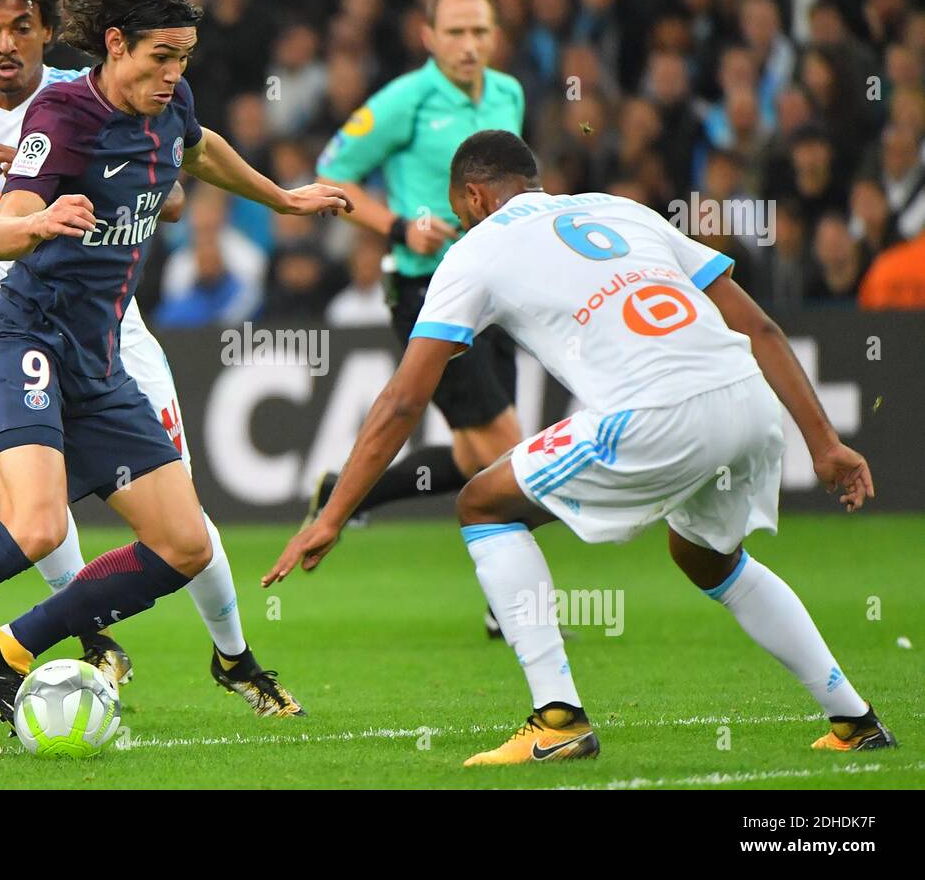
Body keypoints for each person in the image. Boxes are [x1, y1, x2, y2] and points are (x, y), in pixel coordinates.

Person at [0, 0, 346, 760]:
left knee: (187, 543)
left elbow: (196, 152)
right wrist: (37, 220)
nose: (174, 74)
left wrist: (283, 197)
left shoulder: (166, 104)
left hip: (101, 356)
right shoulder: (60, 118)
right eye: (162, 56)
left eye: (183, 59)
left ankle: (6, 650)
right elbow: (0, 227)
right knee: (33, 525)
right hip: (22, 337)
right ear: (118, 43)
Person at [266, 130, 895, 766]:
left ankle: (557, 718)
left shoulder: (477, 248)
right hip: (747, 398)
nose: (461, 223)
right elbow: (758, 325)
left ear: (475, 197)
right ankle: (854, 719)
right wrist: (825, 444)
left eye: (460, 213)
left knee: (484, 503)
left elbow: (402, 401)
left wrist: (334, 514)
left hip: (657, 410)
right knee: (706, 557)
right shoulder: (620, 209)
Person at [311, 0, 526, 638]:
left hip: (501, 291)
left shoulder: (509, 94)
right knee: (513, 456)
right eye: (455, 32)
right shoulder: (406, 99)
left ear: (495, 37)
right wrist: (400, 226)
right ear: (428, 37)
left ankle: (348, 493)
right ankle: (515, 610)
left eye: (480, 32)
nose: (469, 45)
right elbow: (334, 173)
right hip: (431, 293)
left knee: (473, 460)